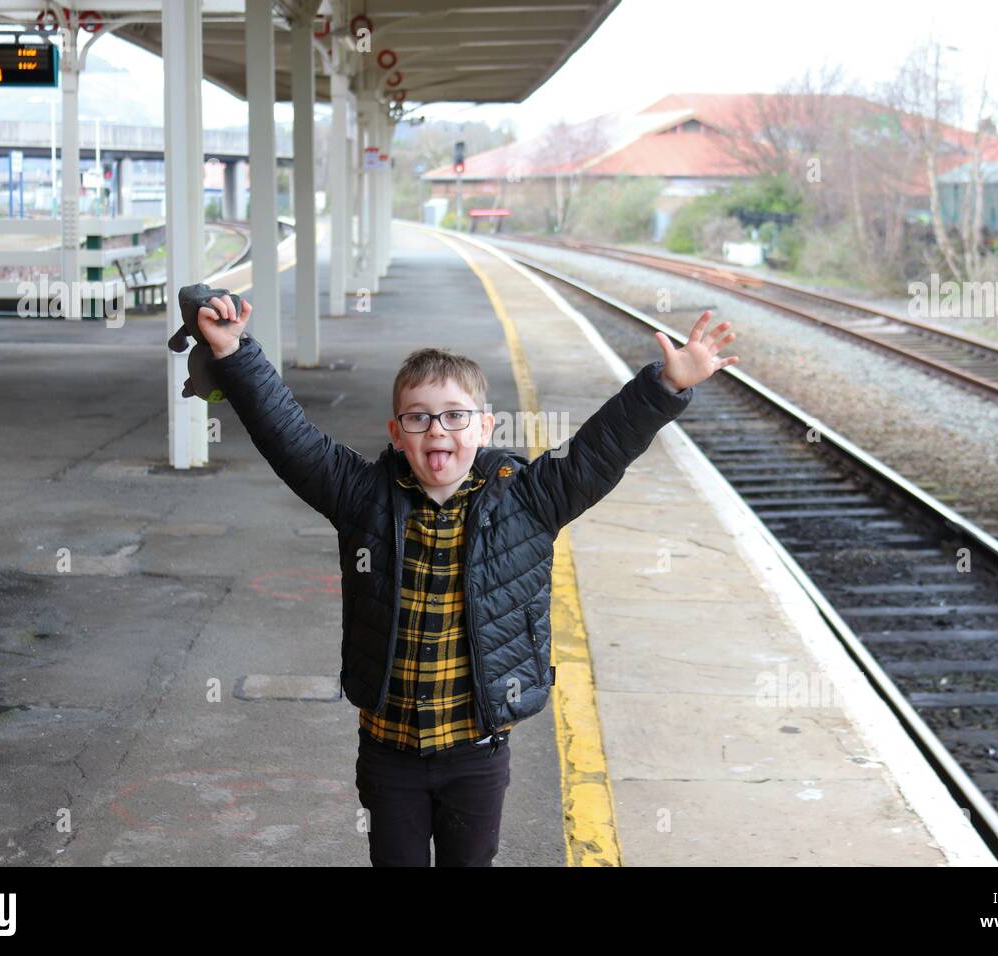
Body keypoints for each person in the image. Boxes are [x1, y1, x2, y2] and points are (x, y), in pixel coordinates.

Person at [199, 294, 738, 865]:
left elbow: (599, 451)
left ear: (484, 427)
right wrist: (233, 352)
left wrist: (664, 387)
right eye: (419, 417)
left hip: (477, 753)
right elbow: (290, 438)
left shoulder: (530, 499)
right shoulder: (361, 496)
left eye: (455, 415)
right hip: (389, 751)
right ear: (397, 431)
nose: (437, 430)